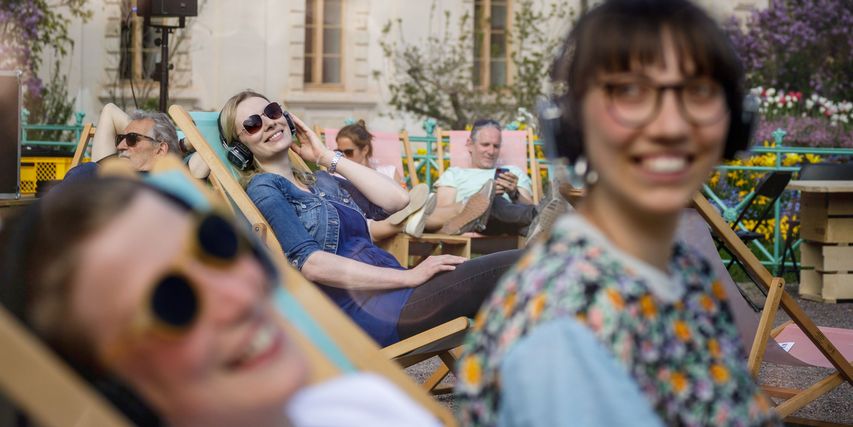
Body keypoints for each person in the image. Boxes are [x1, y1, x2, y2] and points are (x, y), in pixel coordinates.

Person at [455, 0, 779, 425]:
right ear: (569, 126)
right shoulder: (562, 327)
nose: (670, 126)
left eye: (698, 91)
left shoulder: (682, 270)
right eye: (629, 91)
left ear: (737, 122)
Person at [0, 176, 440, 427]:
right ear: (116, 396)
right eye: (172, 302)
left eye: (217, 244)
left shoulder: (359, 406)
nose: (240, 293)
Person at [218, 90, 522, 346]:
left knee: (514, 302)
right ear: (239, 148)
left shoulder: (319, 180)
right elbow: (311, 264)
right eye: (252, 124)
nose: (269, 123)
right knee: (521, 266)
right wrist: (408, 276)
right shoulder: (265, 188)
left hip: (397, 290)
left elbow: (397, 200)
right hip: (365, 310)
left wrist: (327, 157)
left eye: (272, 112)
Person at [424, 119, 568, 239]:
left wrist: (514, 193)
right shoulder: (455, 174)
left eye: (496, 146)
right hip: (474, 223)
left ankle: (538, 218)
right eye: (485, 145)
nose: (491, 151)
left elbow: (526, 205)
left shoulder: (513, 171)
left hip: (508, 223)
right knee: (490, 200)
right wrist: (474, 201)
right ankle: (545, 216)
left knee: (499, 201)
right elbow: (442, 211)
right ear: (470, 144)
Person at [335, 120, 435, 240]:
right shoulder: (337, 177)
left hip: (391, 216)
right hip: (363, 224)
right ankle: (408, 221)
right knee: (422, 216)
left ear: (365, 150)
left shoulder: (389, 171)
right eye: (339, 152)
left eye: (348, 152)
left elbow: (404, 203)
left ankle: (412, 219)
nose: (343, 157)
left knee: (414, 209)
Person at [63, 103, 209, 182]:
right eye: (121, 138)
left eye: (132, 139)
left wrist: (182, 145)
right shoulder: (102, 168)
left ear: (160, 150)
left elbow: (208, 154)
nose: (120, 146)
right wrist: (180, 146)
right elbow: (109, 111)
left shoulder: (168, 183)